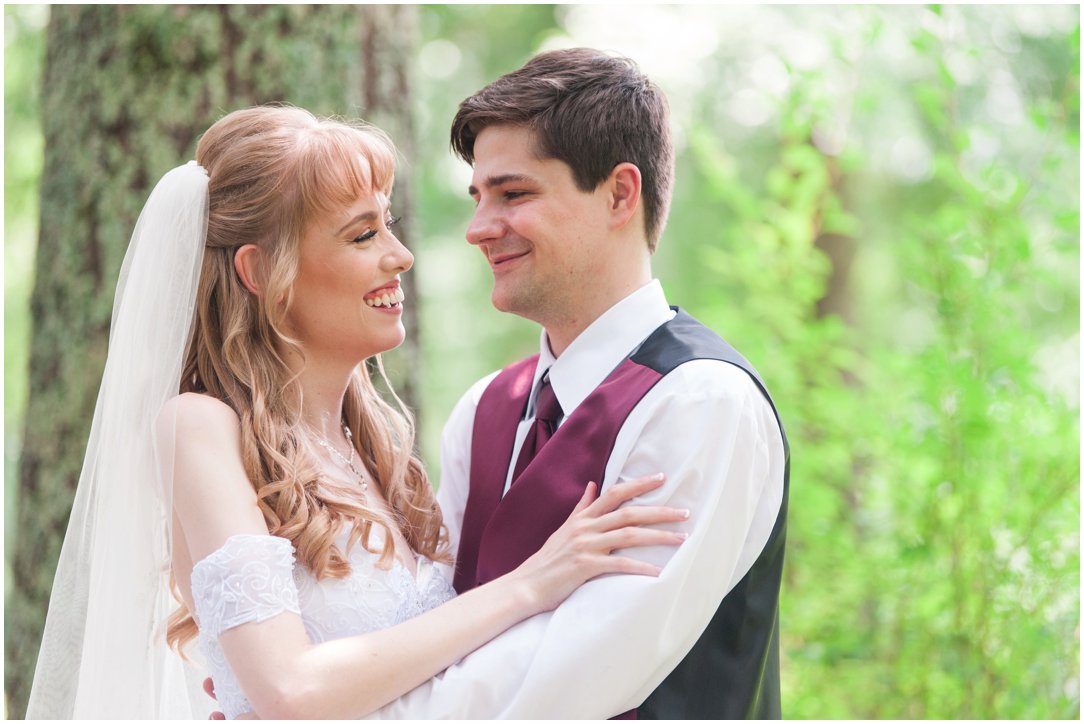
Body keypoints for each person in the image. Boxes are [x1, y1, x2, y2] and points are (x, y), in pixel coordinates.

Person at [24, 105, 690, 720]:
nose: (398, 256)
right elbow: (290, 689)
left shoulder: (377, 447)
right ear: (261, 272)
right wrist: (529, 585)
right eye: (362, 234)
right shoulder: (199, 425)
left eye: (389, 226)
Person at [361, 48, 790, 719]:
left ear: (620, 193)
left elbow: (564, 680)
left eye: (514, 193)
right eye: (478, 197)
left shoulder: (700, 403)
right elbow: (429, 618)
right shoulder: (486, 410)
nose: (478, 229)